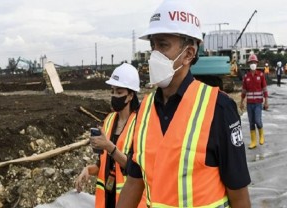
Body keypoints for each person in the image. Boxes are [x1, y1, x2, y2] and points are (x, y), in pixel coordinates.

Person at [117, 1, 251, 207]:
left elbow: (239, 194)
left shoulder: (218, 108)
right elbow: (135, 181)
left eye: (163, 45)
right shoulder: (144, 109)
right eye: (152, 45)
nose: (154, 54)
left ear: (188, 54)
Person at [75, 63, 146, 208]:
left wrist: (109, 147)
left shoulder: (140, 124)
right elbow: (101, 165)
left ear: (130, 95)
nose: (114, 96)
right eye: (112, 91)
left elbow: (135, 167)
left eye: (119, 93)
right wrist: (88, 170)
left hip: (129, 201)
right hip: (107, 200)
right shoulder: (109, 121)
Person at [240, 54, 269, 149]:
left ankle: (261, 135)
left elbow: (264, 89)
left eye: (254, 62)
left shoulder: (260, 75)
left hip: (258, 103)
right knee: (251, 122)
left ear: (256, 63)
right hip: (249, 104)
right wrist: (241, 101)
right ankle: (253, 141)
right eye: (251, 62)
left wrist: (266, 101)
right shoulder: (246, 77)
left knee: (258, 121)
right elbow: (244, 90)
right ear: (249, 64)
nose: (253, 64)